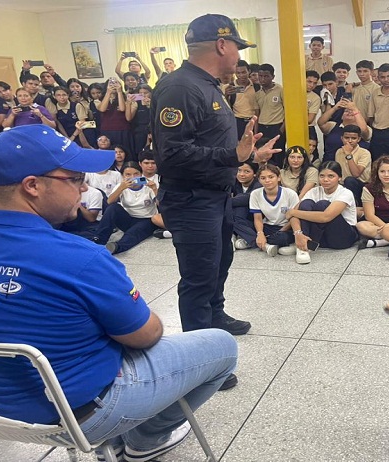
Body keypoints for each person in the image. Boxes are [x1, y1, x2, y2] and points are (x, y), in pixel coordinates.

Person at [0, 125, 237, 462]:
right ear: (32, 186)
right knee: (221, 346)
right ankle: (145, 440)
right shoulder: (78, 256)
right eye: (74, 178)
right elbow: (146, 335)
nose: (85, 186)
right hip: (76, 418)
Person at [150, 15, 279, 390]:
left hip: (215, 196)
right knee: (198, 278)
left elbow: (213, 146)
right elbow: (172, 155)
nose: (239, 55)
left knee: (220, 262)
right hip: (192, 201)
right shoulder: (180, 88)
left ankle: (216, 318)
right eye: (238, 46)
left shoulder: (206, 84)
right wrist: (233, 157)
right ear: (222, 45)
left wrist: (247, 157)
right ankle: (199, 361)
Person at [285, 161, 359, 263]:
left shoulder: (345, 193)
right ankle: (302, 246)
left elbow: (325, 217)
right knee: (306, 203)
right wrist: (298, 234)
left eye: (331, 176)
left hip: (343, 237)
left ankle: (305, 245)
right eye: (322, 176)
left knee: (323, 205)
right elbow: (294, 214)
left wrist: (293, 212)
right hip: (322, 237)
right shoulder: (314, 191)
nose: (325, 180)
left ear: (340, 178)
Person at [94, 161, 158, 255]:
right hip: (128, 218)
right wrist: (121, 188)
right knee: (113, 208)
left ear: (141, 174)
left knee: (133, 233)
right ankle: (99, 240)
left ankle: (117, 247)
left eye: (136, 174)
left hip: (146, 219)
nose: (132, 177)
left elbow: (162, 205)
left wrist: (155, 189)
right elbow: (109, 202)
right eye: (128, 174)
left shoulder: (149, 185)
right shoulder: (121, 186)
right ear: (123, 176)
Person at [248, 164, 300, 257]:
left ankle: (251, 241)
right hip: (267, 226)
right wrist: (260, 233)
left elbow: (294, 217)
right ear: (259, 180)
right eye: (263, 178)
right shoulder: (255, 194)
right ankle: (265, 244)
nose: (267, 180)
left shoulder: (290, 193)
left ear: (279, 177)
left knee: (282, 238)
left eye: (271, 177)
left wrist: (281, 231)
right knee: (238, 222)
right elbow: (258, 218)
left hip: (286, 227)